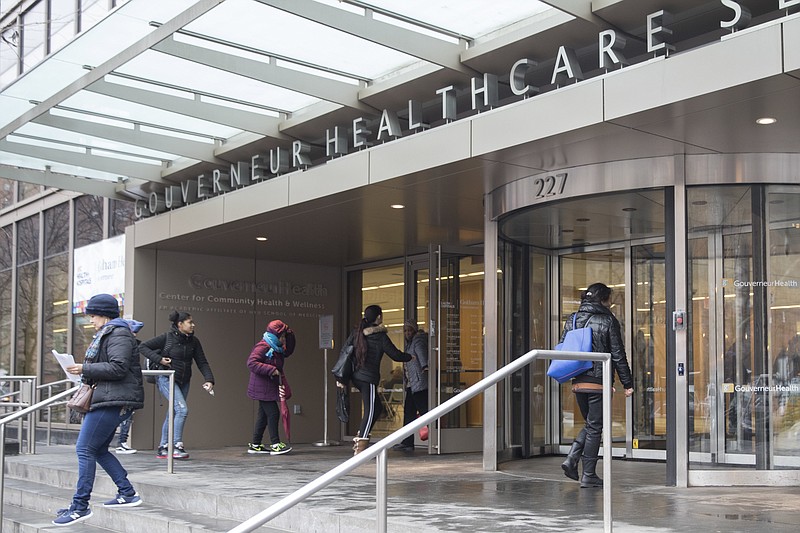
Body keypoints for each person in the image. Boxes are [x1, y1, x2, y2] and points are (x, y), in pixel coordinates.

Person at [53, 294, 144, 526]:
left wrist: (85, 367)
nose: (91, 321)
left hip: (113, 400)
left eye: (92, 316)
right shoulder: (110, 333)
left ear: (103, 314)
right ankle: (127, 493)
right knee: (99, 450)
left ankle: (80, 506)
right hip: (107, 398)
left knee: (84, 449)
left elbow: (119, 368)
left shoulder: (119, 333)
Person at [558, 283, 633, 488]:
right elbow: (618, 354)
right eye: (609, 298)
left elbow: (564, 347)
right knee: (595, 427)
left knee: (591, 424)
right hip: (598, 381)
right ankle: (588, 474)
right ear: (603, 299)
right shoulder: (608, 319)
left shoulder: (572, 319)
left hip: (578, 379)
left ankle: (572, 459)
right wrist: (628, 382)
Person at [139, 310, 215, 459]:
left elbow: (202, 362)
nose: (193, 325)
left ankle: (163, 446)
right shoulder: (166, 338)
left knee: (174, 411)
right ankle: (176, 445)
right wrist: (159, 360)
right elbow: (143, 347)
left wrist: (209, 380)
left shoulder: (194, 341)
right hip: (166, 378)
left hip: (184, 380)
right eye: (190, 322)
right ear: (180, 324)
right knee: (182, 410)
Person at [339, 304, 412, 455]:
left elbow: (344, 351)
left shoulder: (357, 333)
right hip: (368, 378)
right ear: (379, 317)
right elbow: (396, 355)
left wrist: (342, 377)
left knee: (377, 407)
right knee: (371, 410)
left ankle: (362, 436)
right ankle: (360, 448)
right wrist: (410, 356)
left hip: (356, 376)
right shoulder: (380, 336)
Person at [246, 319, 296, 455]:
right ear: (276, 336)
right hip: (262, 387)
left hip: (268, 386)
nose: (284, 339)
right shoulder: (263, 346)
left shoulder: (277, 346)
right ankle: (275, 444)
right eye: (283, 336)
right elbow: (251, 363)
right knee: (273, 413)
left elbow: (288, 351)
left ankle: (256, 444)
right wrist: (271, 369)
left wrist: (290, 333)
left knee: (263, 415)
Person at [391, 319, 429, 452]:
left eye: (409, 330)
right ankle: (407, 442)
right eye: (405, 330)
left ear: (414, 330)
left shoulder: (417, 341)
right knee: (409, 412)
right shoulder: (409, 344)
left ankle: (437, 437)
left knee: (424, 411)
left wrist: (425, 366)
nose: (407, 333)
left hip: (418, 383)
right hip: (411, 384)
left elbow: (422, 354)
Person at [113, 318, 144, 455]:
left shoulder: (129, 343)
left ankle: (121, 442)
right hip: (123, 387)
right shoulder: (123, 343)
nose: (135, 334)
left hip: (126, 386)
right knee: (125, 415)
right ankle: (121, 442)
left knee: (127, 414)